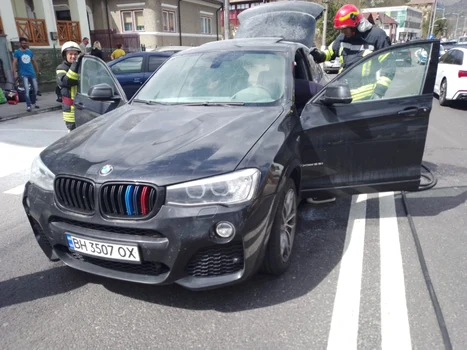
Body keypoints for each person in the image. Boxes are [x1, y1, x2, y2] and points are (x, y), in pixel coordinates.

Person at [308, 4, 395, 204]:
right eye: (340, 30)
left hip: (365, 95)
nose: (342, 33)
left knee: (359, 139)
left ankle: (360, 176)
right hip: (343, 94)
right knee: (338, 137)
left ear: (356, 24)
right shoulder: (342, 37)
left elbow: (389, 68)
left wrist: (378, 93)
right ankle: (338, 179)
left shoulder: (378, 37)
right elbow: (330, 53)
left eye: (345, 29)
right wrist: (318, 55)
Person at [56, 41, 82, 132]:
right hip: (70, 109)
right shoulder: (61, 68)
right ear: (65, 55)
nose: (73, 56)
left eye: (75, 54)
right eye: (70, 54)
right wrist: (75, 64)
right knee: (73, 133)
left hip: (82, 106)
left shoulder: (80, 67)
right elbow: (67, 81)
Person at [12, 37, 41, 112]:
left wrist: (38, 71)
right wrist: (15, 73)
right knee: (27, 90)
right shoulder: (17, 52)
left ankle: (34, 102)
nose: (24, 44)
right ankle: (28, 105)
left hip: (31, 73)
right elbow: (14, 63)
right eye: (23, 43)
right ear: (20, 44)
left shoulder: (29, 52)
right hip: (23, 74)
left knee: (35, 89)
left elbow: (34, 61)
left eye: (25, 43)